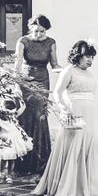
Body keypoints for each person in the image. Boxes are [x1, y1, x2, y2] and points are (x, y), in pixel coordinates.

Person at [33, 40, 98, 196]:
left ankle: (96, 187)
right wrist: (65, 109)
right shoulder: (69, 70)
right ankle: (73, 187)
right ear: (78, 55)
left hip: (90, 114)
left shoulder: (89, 73)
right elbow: (57, 92)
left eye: (92, 57)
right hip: (75, 113)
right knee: (75, 147)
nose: (90, 60)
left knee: (96, 145)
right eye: (87, 56)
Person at [14, 14, 61, 175]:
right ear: (30, 28)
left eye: (42, 31)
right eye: (36, 30)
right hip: (26, 80)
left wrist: (64, 72)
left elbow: (54, 64)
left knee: (40, 116)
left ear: (46, 30)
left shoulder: (51, 43)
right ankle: (23, 164)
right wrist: (16, 83)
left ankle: (40, 163)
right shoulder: (23, 41)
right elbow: (18, 63)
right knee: (25, 117)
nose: (39, 34)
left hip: (42, 81)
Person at [0, 93, 33, 184]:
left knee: (12, 159)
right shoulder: (0, 121)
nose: (9, 115)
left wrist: (20, 100)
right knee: (4, 158)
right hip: (6, 141)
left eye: (11, 113)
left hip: (14, 141)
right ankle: (1, 174)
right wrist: (3, 138)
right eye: (7, 113)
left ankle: (9, 175)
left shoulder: (13, 118)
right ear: (3, 112)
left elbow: (22, 109)